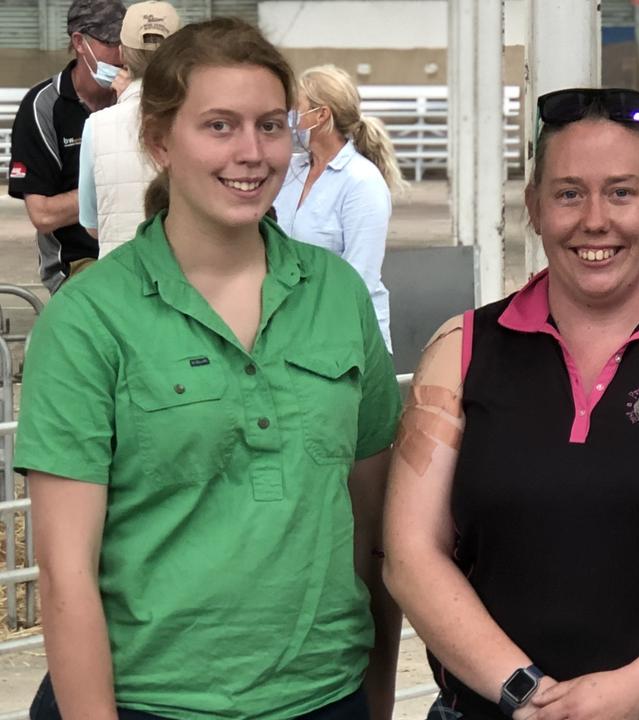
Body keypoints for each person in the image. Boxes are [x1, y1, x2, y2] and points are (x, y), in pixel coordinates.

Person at [16, 17, 403, 720]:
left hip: (323, 695)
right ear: (160, 141)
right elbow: (66, 576)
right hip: (145, 701)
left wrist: (375, 702)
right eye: (219, 126)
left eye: (269, 125)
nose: (251, 153)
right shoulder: (89, 319)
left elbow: (372, 536)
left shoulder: (337, 296)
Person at [382, 87, 639, 720]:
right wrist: (526, 693)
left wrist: (636, 688)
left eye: (622, 192)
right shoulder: (461, 350)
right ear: (534, 207)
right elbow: (411, 553)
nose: (595, 220)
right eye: (569, 192)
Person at [273, 64, 407, 352]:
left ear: (321, 115)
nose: (290, 119)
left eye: (297, 109)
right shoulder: (290, 171)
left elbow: (360, 277)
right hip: (291, 329)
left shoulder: (362, 182)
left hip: (343, 335)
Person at [7, 0, 125, 292]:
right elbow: (43, 215)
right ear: (79, 42)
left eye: (126, 42)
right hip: (79, 261)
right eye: (111, 41)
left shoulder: (139, 99)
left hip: (138, 250)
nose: (121, 53)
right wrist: (119, 184)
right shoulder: (44, 107)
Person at [79, 0, 180, 258]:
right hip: (186, 275)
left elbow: (91, 224)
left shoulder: (97, 126)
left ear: (122, 53)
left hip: (120, 279)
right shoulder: (201, 119)